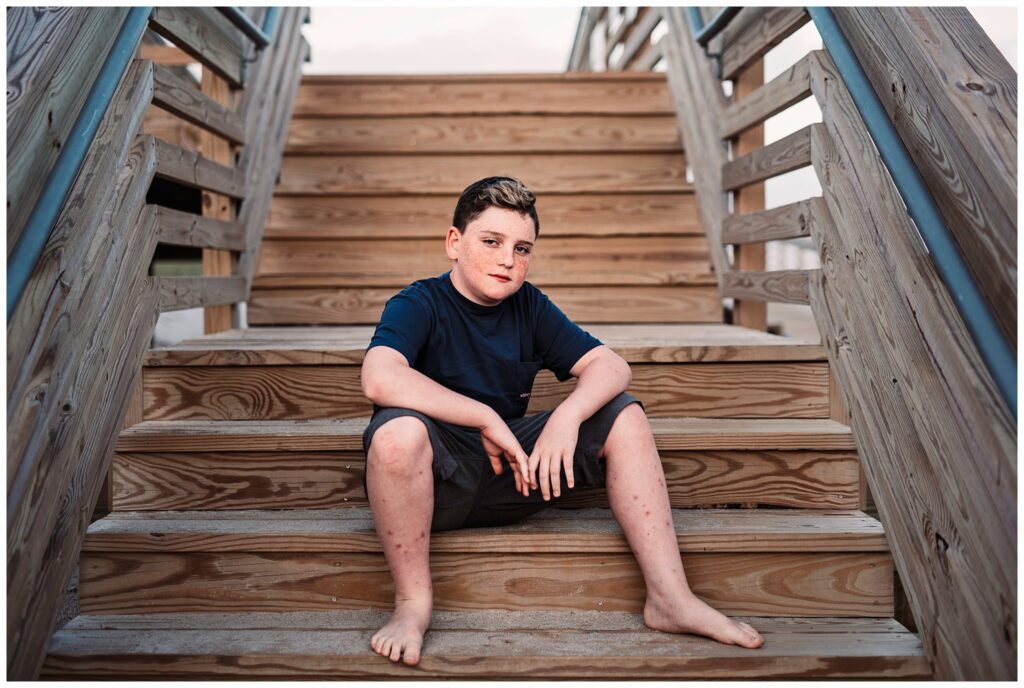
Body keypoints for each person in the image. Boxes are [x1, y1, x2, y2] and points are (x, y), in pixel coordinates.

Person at [360, 176, 764, 666]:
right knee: (398, 434)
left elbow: (612, 366)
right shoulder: (419, 303)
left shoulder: (529, 305)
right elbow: (379, 378)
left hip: (514, 476)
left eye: (522, 248)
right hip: (433, 484)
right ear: (454, 242)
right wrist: (483, 415)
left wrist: (567, 416)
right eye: (491, 242)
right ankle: (411, 604)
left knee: (625, 415)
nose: (508, 260)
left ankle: (670, 598)